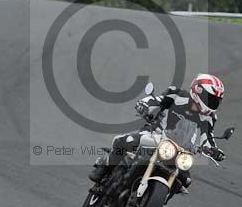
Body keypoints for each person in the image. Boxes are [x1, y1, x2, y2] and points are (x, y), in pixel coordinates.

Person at [88, 74, 227, 192]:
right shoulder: (176, 95)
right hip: (155, 135)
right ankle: (104, 169)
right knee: (126, 141)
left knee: (186, 180)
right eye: (210, 98)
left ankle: (157, 197)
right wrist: (144, 105)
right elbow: (156, 100)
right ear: (198, 91)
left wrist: (213, 150)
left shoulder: (209, 117)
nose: (213, 103)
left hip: (181, 150)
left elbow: (207, 137)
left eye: (216, 101)